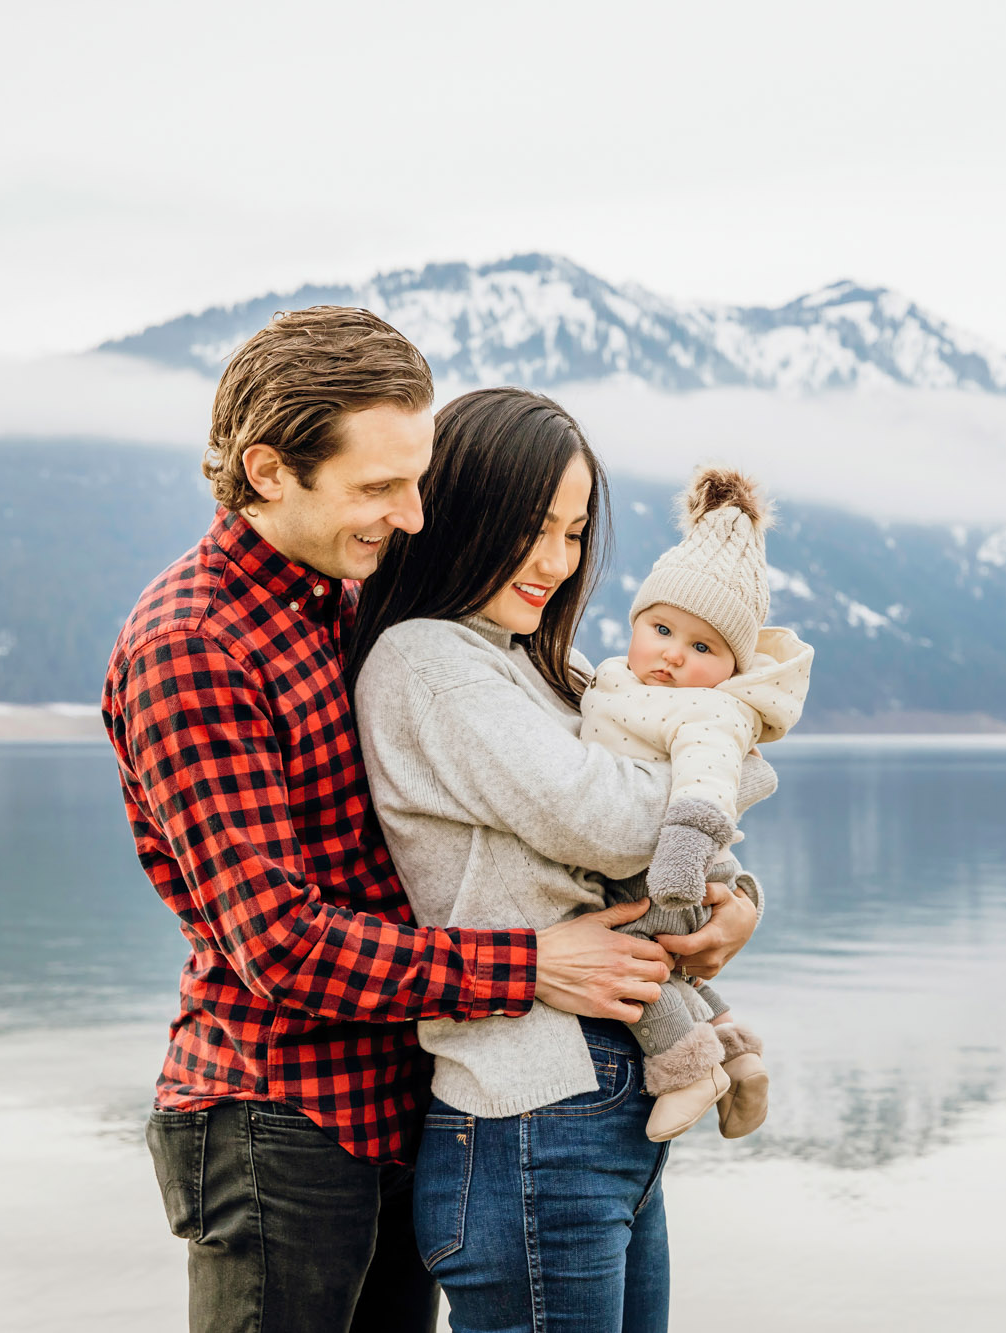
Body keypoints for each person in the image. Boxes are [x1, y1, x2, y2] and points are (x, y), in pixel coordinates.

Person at [101, 308, 718, 1333]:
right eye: (379, 487)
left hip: (401, 1098)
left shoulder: (344, 600)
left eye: (418, 479)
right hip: (275, 1119)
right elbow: (280, 943)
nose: (415, 515)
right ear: (266, 470)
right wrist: (530, 966)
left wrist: (724, 895)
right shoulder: (194, 645)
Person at [349, 387, 775, 1333]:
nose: (555, 560)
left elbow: (666, 815)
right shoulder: (426, 662)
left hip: (601, 1112)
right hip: (527, 1116)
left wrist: (740, 898)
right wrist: (731, 753)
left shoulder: (543, 669)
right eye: (534, 527)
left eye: (576, 532)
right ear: (462, 511)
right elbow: (612, 820)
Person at [577, 465, 813, 1141]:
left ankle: (687, 1071)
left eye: (702, 646)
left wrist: (678, 864)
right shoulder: (612, 678)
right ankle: (735, 1052)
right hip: (657, 866)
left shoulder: (710, 712)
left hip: (675, 867)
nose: (673, 656)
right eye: (661, 629)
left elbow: (708, 786)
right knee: (673, 969)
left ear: (732, 668)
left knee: (625, 957)